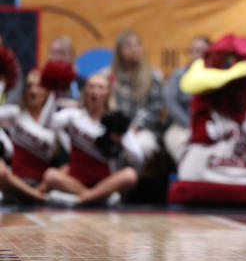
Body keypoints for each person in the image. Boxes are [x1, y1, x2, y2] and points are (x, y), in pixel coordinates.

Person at [43, 73, 142, 206]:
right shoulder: (74, 115)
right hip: (75, 180)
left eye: (100, 87)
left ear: (108, 93)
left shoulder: (117, 121)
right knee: (50, 175)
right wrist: (54, 97)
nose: (95, 91)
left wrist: (121, 141)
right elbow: (47, 124)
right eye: (91, 87)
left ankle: (79, 200)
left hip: (105, 181)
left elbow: (138, 158)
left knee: (130, 175)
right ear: (85, 92)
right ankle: (98, 198)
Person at [103, 30, 164, 160]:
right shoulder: (107, 76)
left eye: (137, 45)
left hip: (143, 129)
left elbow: (154, 109)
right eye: (129, 46)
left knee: (141, 146)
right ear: (119, 51)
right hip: (113, 129)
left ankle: (131, 179)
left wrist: (134, 126)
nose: (134, 49)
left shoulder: (153, 76)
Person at [0, 69, 55, 203]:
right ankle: (34, 195)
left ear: (47, 91)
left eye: (38, 86)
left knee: (56, 174)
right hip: (14, 181)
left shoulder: (56, 119)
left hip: (44, 184)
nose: (33, 91)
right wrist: (1, 84)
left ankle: (35, 193)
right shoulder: (16, 113)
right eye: (29, 86)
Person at [163, 36, 209, 162]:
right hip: (181, 126)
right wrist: (190, 125)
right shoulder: (178, 75)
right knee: (185, 151)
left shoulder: (217, 76)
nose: (196, 55)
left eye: (200, 51)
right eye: (192, 51)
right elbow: (171, 103)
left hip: (210, 126)